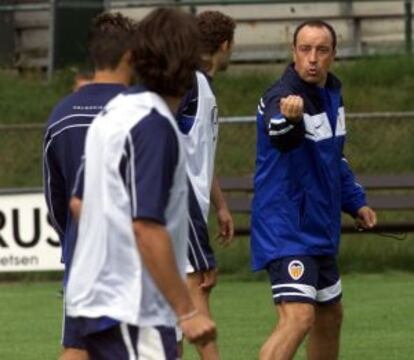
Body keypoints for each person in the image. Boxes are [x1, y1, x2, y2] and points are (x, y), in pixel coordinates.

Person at [65, 8, 216, 359]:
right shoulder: (154, 125)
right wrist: (188, 312)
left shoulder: (114, 113)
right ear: (189, 63)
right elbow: (146, 227)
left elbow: (78, 203)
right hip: (132, 306)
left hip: (99, 299)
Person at [251, 20, 377, 360]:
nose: (312, 58)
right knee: (298, 318)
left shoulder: (332, 95)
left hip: (319, 228)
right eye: (305, 49)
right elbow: (280, 135)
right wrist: (290, 120)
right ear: (293, 53)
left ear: (333, 55)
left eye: (321, 50)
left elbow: (334, 158)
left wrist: (356, 202)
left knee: (330, 316)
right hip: (287, 227)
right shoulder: (280, 97)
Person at [42, 12, 134, 360]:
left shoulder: (61, 115)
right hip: (136, 255)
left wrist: (75, 238)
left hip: (84, 254)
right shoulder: (144, 111)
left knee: (78, 346)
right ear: (132, 55)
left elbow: (55, 196)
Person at [175, 10, 236, 359]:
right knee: (198, 294)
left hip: (187, 209)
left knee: (173, 311)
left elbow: (199, 153)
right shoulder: (189, 84)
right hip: (178, 211)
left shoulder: (202, 87)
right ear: (225, 45)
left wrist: (221, 205)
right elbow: (170, 151)